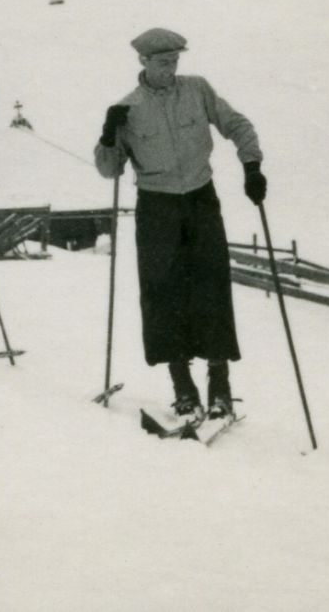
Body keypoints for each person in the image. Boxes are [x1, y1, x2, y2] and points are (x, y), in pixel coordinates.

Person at [93, 28, 265, 421]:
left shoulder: (197, 89)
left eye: (175, 61)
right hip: (156, 206)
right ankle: (182, 386)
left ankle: (219, 383)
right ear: (144, 62)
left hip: (201, 199)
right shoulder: (127, 107)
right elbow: (109, 170)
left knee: (212, 284)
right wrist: (108, 134)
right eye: (162, 62)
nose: (170, 69)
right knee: (162, 292)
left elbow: (237, 124)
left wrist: (251, 165)